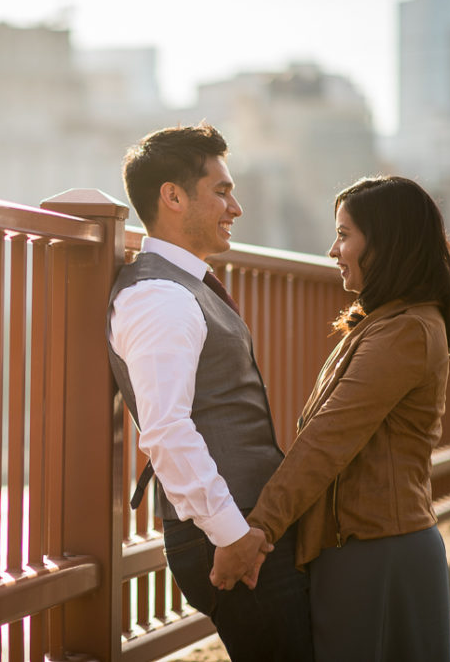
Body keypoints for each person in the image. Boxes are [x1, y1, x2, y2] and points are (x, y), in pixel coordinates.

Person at [211, 175, 450, 661]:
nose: (333, 250)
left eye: (345, 234)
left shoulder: (407, 331)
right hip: (360, 549)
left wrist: (259, 529)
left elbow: (328, 438)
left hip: (378, 554)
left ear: (387, 242)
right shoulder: (385, 323)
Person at [107, 124, 314, 661]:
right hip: (226, 533)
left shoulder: (184, 287)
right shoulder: (159, 297)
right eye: (221, 191)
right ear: (172, 197)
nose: (235, 207)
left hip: (243, 524)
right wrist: (231, 535)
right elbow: (167, 429)